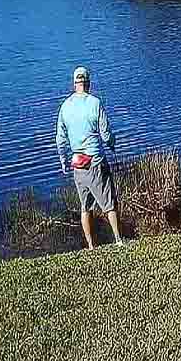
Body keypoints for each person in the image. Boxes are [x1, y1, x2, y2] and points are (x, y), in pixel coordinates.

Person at [56, 66, 124, 249]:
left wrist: (63, 161)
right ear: (88, 83)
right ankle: (118, 240)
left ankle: (91, 246)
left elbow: (60, 139)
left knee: (85, 207)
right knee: (109, 204)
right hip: (96, 163)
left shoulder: (65, 106)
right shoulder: (95, 103)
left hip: (78, 165)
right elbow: (106, 135)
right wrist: (112, 144)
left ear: (74, 83)